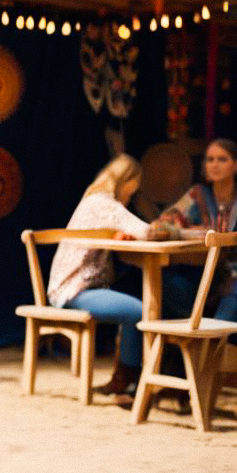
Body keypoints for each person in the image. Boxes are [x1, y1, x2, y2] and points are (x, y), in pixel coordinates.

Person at [46, 155, 152, 396]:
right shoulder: (104, 203)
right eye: (132, 190)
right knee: (137, 311)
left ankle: (129, 375)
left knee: (135, 303)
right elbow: (146, 231)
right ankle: (126, 378)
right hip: (75, 290)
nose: (131, 196)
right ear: (127, 181)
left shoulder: (92, 201)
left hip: (74, 288)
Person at [149, 138, 237, 332]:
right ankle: (174, 353)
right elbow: (161, 225)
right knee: (163, 286)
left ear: (236, 165)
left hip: (232, 274)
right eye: (210, 159)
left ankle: (211, 352)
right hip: (199, 271)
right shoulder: (198, 195)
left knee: (232, 299)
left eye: (222, 159)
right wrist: (187, 233)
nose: (214, 165)